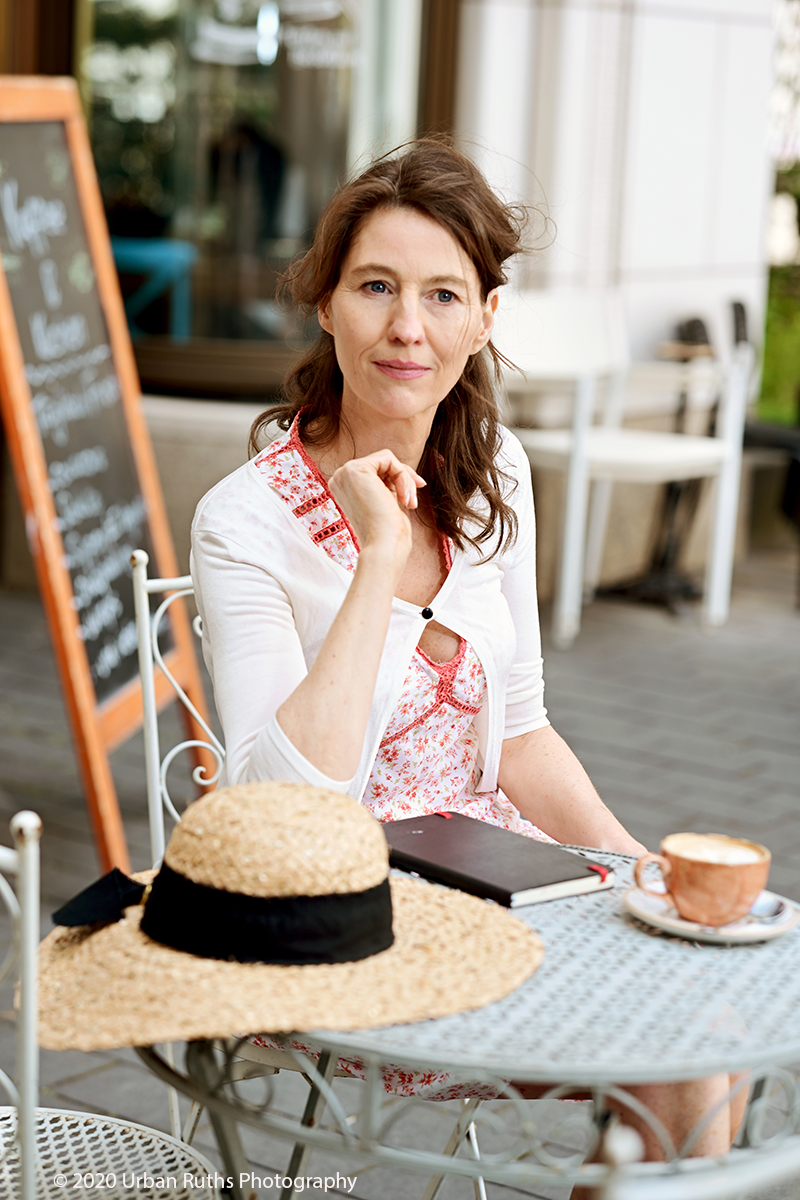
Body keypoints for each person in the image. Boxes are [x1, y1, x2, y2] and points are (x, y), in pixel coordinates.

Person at [190, 139, 745, 1162]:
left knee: (706, 1025)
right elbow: (277, 814)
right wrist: (376, 562)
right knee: (682, 1060)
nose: (407, 328)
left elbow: (521, 736)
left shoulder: (496, 473)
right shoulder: (244, 521)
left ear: (485, 317)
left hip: (493, 881)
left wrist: (636, 869)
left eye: (444, 295)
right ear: (324, 303)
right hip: (323, 922)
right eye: (375, 287)